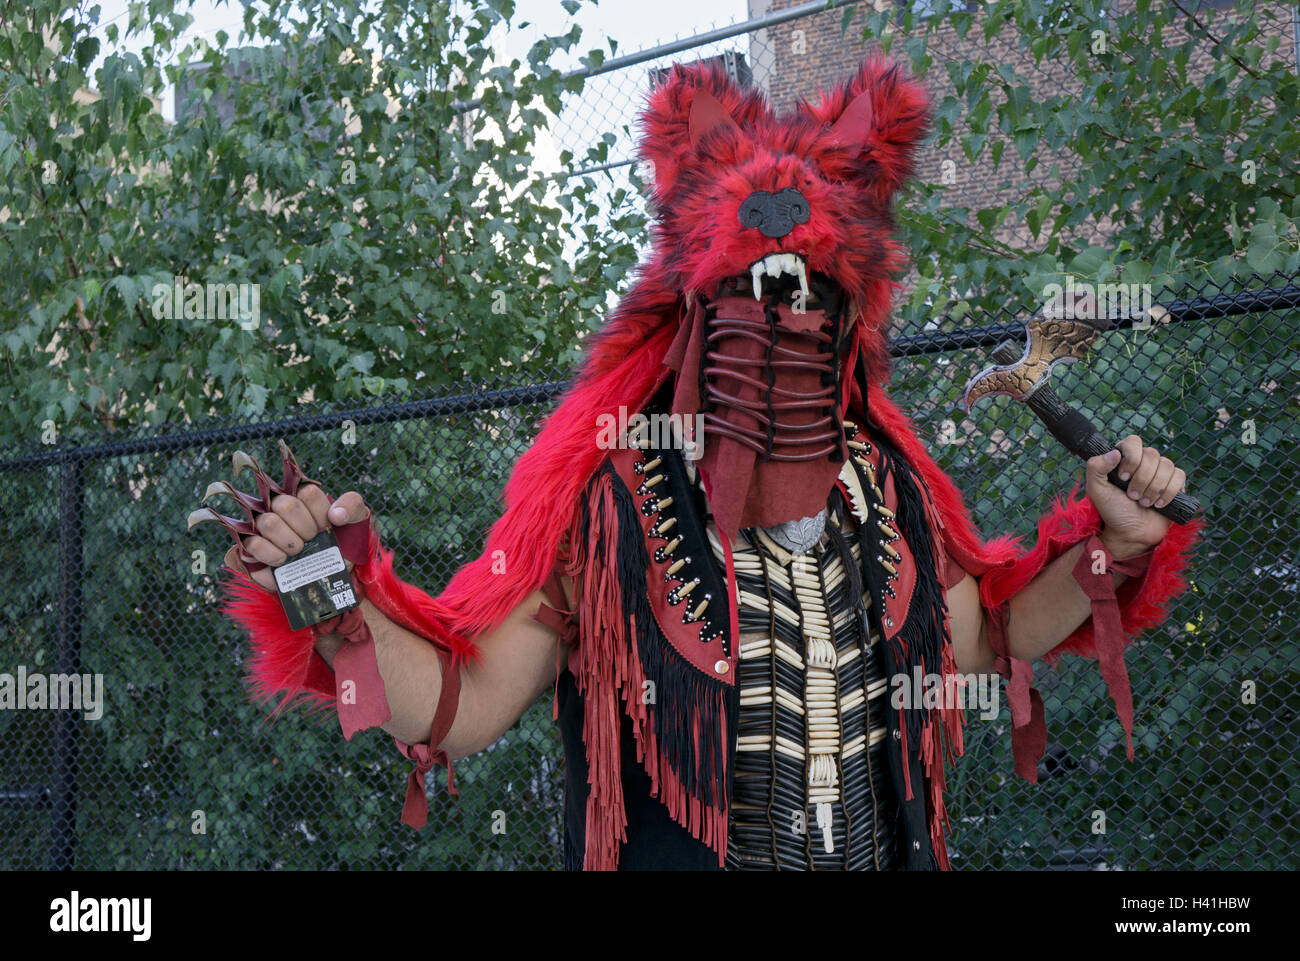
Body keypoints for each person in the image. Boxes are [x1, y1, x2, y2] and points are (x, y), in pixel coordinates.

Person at [192, 57, 1200, 871]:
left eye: (807, 294)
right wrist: (330, 594)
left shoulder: (887, 491)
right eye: (750, 293)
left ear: (849, 318)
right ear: (691, 311)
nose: (780, 319)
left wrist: (1115, 543)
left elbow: (991, 636)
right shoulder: (607, 504)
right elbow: (463, 710)